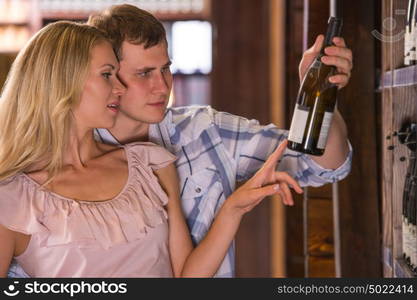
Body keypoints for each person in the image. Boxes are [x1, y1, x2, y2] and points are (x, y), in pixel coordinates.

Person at [8, 3, 353, 277]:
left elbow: (320, 165)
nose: (163, 86)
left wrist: (321, 92)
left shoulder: (196, 136)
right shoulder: (22, 190)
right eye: (143, 73)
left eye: (166, 68)